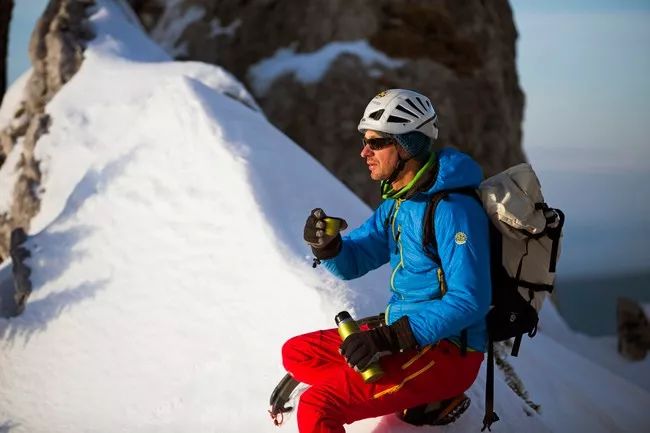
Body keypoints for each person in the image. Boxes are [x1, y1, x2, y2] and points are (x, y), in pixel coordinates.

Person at [282, 89, 492, 433]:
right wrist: (329, 247)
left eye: (376, 143)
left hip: (447, 351)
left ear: (407, 145)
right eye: (365, 142)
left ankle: (427, 393)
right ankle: (398, 391)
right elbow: (355, 260)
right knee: (296, 354)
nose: (364, 152)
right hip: (403, 336)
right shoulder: (399, 203)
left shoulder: (453, 210)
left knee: (318, 406)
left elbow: (470, 300)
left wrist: (386, 340)